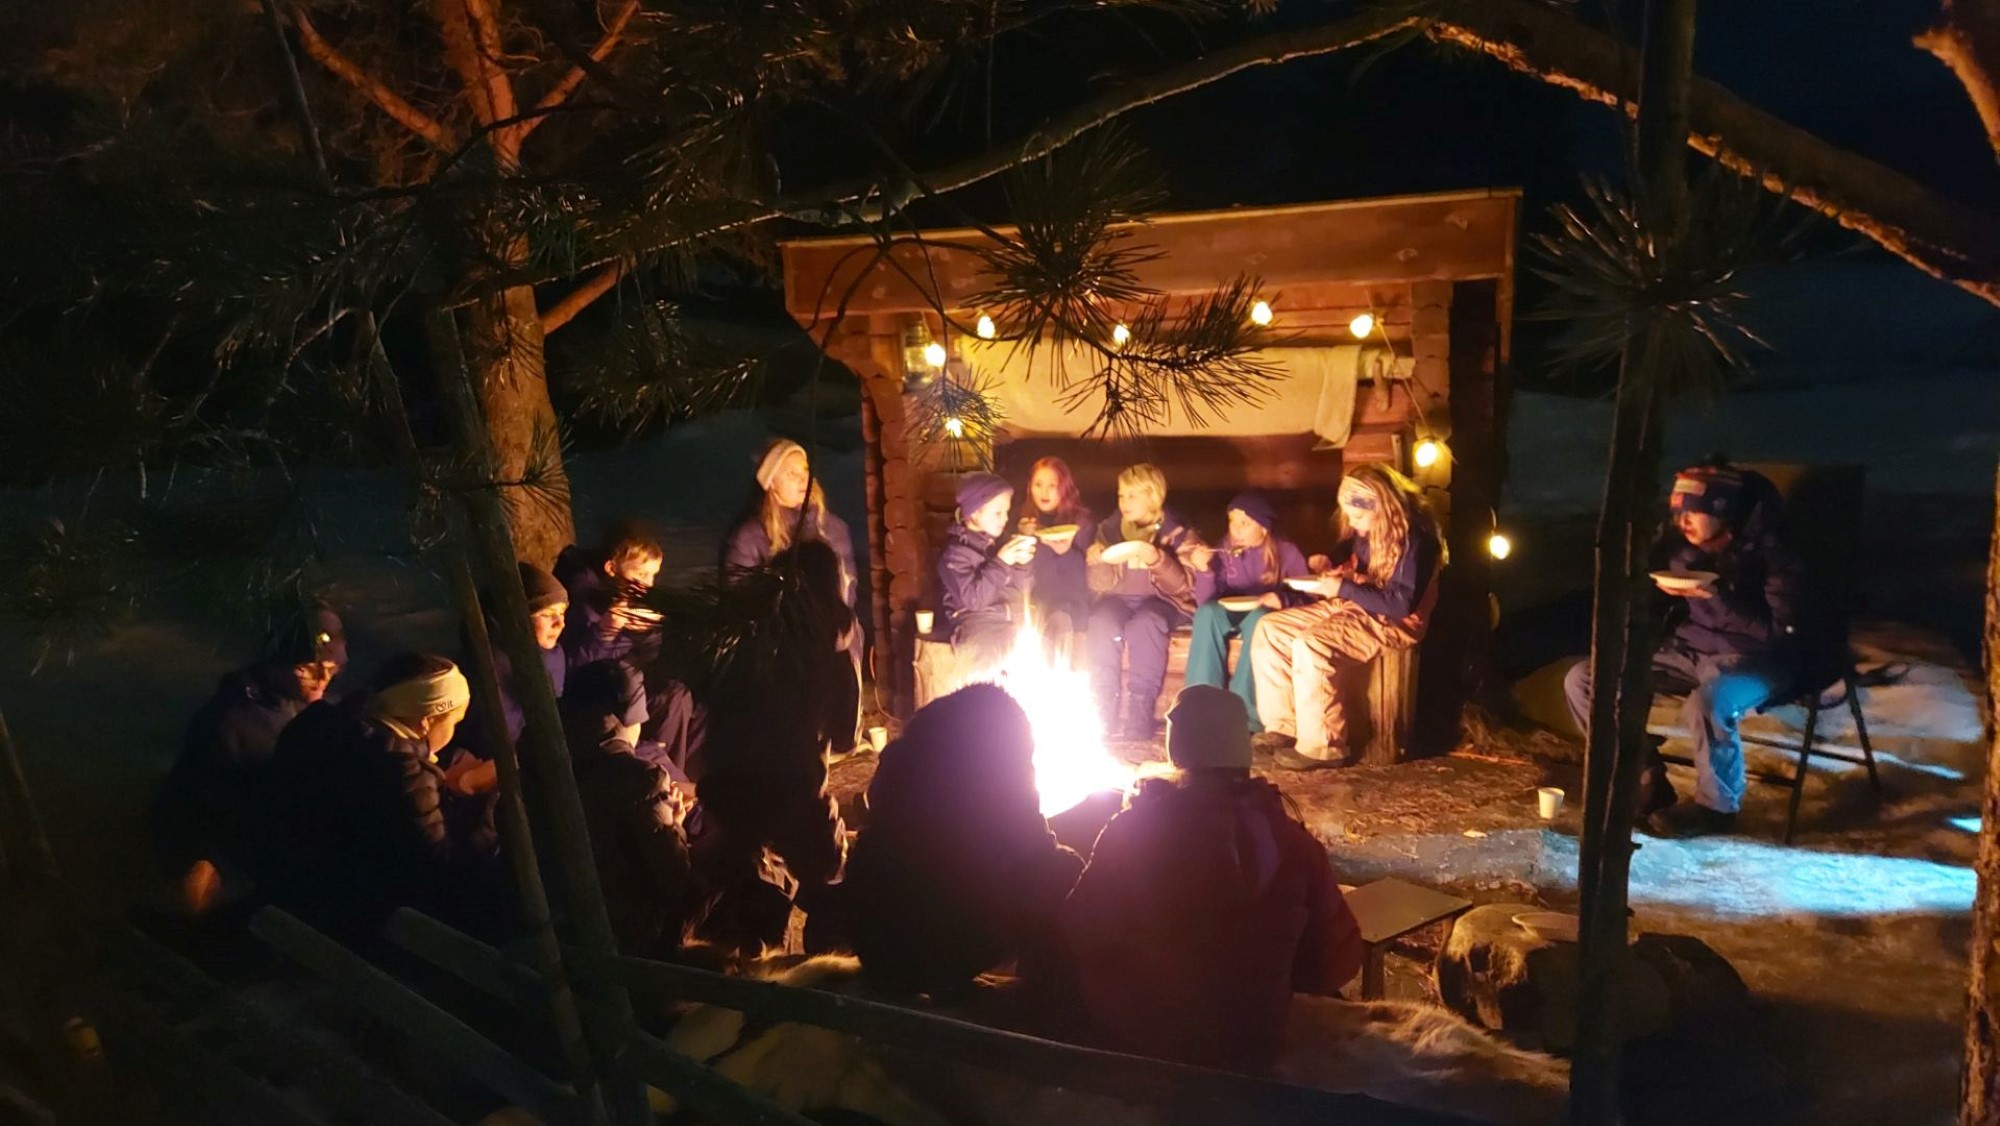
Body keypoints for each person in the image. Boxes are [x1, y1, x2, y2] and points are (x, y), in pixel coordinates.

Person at [1056, 686, 1363, 1071]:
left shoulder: (1132, 830)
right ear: (1243, 753)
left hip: (1145, 1037)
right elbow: (1337, 959)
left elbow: (1078, 927)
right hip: (1254, 1042)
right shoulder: (1292, 843)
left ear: (1176, 752)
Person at [1562, 461, 1802, 838]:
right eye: (1679, 511)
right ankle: (1644, 777)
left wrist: (1717, 596)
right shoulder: (1684, 550)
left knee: (1709, 702)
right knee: (1584, 679)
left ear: (1724, 513)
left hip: (1760, 662)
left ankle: (1717, 808)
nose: (1684, 520)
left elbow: (1778, 634)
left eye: (1695, 511)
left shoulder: (1774, 557)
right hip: (1691, 649)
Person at [841, 684, 1083, 996]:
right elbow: (1038, 853)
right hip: (940, 947)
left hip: (874, 938)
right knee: (1066, 876)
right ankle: (1046, 991)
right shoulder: (1006, 773)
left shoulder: (905, 757)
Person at [251, 653, 508, 943]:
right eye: (454, 721)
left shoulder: (320, 721)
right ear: (426, 722)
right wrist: (492, 805)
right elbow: (443, 867)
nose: (455, 731)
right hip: (350, 916)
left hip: (288, 881)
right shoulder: (402, 773)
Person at [687, 540, 853, 952]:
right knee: (831, 876)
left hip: (724, 791)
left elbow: (707, 696)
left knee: (749, 892)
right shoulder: (830, 656)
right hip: (790, 795)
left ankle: (749, 950)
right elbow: (847, 739)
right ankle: (823, 975)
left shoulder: (737, 642)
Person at [152, 603, 346, 913]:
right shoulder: (234, 723)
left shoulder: (305, 704)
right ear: (275, 660)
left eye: (333, 658)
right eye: (306, 665)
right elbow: (203, 817)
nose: (325, 673)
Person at [1251, 463, 1445, 770]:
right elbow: (1350, 552)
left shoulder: (1416, 542)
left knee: (1312, 644)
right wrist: (1329, 562)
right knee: (1271, 630)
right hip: (1357, 605)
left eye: (1358, 517)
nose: (1354, 526)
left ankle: (1324, 746)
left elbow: (1401, 604)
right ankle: (1284, 727)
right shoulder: (1370, 531)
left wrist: (1341, 586)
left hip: (1394, 621)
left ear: (1382, 507)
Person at [724, 437, 862, 756]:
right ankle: (797, 737)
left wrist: (838, 619)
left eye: (804, 470)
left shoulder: (833, 528)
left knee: (845, 640)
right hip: (782, 631)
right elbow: (739, 593)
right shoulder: (751, 536)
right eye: (791, 473)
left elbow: (848, 585)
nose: (803, 478)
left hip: (831, 625)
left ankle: (842, 732)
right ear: (770, 482)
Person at [563, 660, 693, 958]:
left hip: (556, 917)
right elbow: (674, 876)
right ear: (629, 719)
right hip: (624, 938)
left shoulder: (535, 753)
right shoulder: (639, 778)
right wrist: (675, 825)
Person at [1084, 463, 1201, 739]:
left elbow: (1186, 585)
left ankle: (1139, 707)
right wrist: (1096, 562)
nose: (1124, 502)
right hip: (1120, 599)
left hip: (1165, 602)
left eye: (1132, 495)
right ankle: (1104, 705)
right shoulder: (1110, 529)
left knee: (1146, 623)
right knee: (1101, 622)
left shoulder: (1177, 532)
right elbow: (1099, 585)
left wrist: (1157, 559)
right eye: (1121, 495)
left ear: (1153, 496)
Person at [1183, 492, 1312, 731]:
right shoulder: (1224, 550)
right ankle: (1200, 706)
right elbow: (1205, 601)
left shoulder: (1286, 551)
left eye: (1245, 523)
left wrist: (1282, 598)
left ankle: (1244, 716)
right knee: (1206, 615)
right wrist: (1204, 571)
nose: (1236, 530)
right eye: (1232, 522)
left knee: (1260, 620)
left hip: (1266, 613)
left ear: (1263, 528)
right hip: (1231, 609)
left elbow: (1310, 595)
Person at [936, 472, 1037, 680]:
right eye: (998, 513)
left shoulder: (997, 545)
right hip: (979, 626)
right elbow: (974, 600)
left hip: (1013, 619)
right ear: (974, 513)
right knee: (990, 672)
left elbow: (1023, 591)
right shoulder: (955, 555)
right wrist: (1002, 562)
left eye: (1007, 511)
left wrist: (1022, 565)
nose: (1006, 518)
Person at [553, 529, 666, 668]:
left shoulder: (626, 595)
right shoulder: (583, 601)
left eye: (653, 575)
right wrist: (605, 632)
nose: (649, 583)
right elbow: (573, 665)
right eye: (642, 574)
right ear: (611, 568)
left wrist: (646, 631)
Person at [1016, 456, 1093, 647]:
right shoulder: (1024, 522)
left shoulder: (1081, 524)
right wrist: (1024, 539)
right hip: (1035, 609)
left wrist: (1066, 553)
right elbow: (1018, 579)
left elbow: (1087, 583)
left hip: (1072, 610)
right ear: (1029, 487)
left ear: (1065, 487)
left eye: (1052, 485)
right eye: (1038, 484)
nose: (1044, 492)